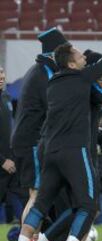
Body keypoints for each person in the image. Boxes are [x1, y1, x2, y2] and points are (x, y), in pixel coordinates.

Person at [7, 7, 102, 241]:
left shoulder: (50, 78)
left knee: (46, 201)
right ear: (66, 60)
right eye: (76, 53)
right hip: (55, 146)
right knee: (76, 202)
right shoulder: (65, 77)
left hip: (48, 147)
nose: (81, 55)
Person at [11, 27, 68, 225]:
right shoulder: (44, 75)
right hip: (32, 143)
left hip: (30, 141)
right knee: (35, 196)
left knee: (39, 196)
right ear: (54, 53)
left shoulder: (41, 71)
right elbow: (55, 109)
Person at [0, 67, 16, 202]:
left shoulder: (6, 97)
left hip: (11, 160)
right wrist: (2, 161)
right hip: (3, 162)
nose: (1, 76)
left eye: (1, 72)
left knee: (27, 195)